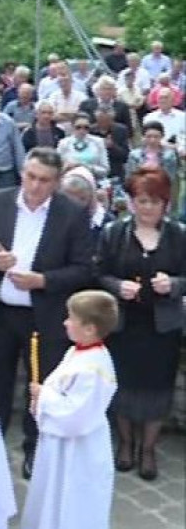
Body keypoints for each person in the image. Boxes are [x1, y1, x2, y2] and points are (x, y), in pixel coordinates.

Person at [0, 147, 94, 480]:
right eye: (30, 176)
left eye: (44, 180)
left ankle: (34, 451)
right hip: (0, 314)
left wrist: (43, 280)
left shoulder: (71, 214)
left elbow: (84, 269)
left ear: (56, 183)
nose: (35, 186)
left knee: (39, 388)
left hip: (43, 317)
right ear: (22, 173)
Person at [96, 167, 186, 481]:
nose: (147, 207)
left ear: (166, 203)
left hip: (162, 328)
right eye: (141, 201)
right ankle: (125, 443)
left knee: (157, 388)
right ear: (131, 202)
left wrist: (174, 284)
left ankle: (147, 450)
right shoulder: (114, 233)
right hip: (124, 326)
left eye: (154, 201)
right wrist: (117, 286)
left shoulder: (179, 234)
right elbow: (98, 273)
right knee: (123, 385)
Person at [21, 290, 118, 529]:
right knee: (53, 495)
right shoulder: (77, 351)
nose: (65, 322)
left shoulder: (93, 368)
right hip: (60, 446)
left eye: (71, 318)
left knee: (71, 500)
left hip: (77, 449)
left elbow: (76, 416)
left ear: (90, 329)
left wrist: (43, 395)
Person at [125, 121, 181, 218]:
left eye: (156, 137)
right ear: (143, 137)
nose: (152, 140)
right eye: (149, 136)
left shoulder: (169, 155)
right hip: (139, 191)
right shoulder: (134, 155)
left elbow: (168, 178)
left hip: (160, 191)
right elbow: (130, 177)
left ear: (162, 137)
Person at [56, 113, 109, 179]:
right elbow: (57, 169)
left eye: (86, 127)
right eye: (78, 127)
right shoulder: (64, 143)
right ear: (72, 126)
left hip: (93, 180)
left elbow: (105, 170)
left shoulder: (98, 142)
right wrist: (67, 167)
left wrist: (86, 167)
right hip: (68, 179)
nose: (82, 130)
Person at [89, 107, 130, 181]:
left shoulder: (121, 130)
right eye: (101, 120)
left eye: (107, 121)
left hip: (114, 169)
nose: (103, 123)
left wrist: (112, 146)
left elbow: (125, 156)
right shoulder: (90, 131)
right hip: (95, 168)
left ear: (112, 120)